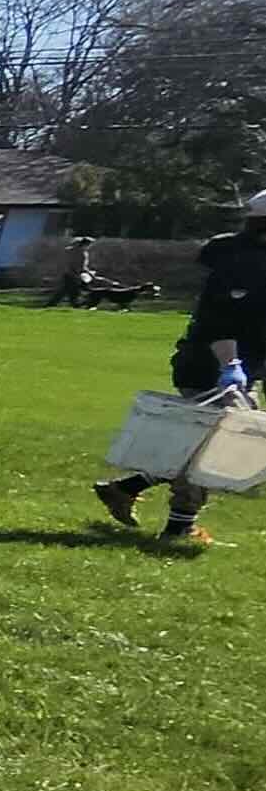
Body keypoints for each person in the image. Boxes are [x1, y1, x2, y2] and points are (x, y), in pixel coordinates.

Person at [92, 188, 264, 547]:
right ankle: (177, 527)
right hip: (212, 365)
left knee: (201, 442)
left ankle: (125, 489)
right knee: (218, 446)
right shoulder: (245, 263)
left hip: (233, 365)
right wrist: (230, 366)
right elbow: (220, 322)